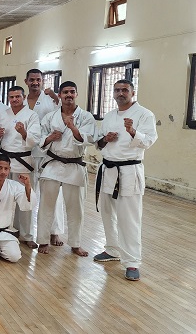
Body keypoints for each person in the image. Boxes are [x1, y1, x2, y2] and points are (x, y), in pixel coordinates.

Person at [94, 80, 157, 281]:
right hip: (108, 169)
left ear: (132, 92)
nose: (121, 93)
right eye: (117, 90)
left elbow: (148, 141)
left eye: (125, 90)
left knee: (129, 218)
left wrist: (132, 132)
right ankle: (112, 249)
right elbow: (99, 144)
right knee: (106, 213)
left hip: (129, 170)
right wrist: (106, 139)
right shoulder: (110, 116)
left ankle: (132, 262)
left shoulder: (144, 114)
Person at [37, 81, 96, 256]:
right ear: (60, 95)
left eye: (72, 92)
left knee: (75, 208)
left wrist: (73, 128)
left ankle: (76, 244)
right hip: (53, 164)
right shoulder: (50, 117)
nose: (68, 95)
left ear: (76, 94)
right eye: (65, 92)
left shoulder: (86, 117)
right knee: (46, 206)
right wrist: (50, 138)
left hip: (74, 165)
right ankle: (43, 240)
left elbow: (90, 139)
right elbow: (40, 138)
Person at [0, 86, 41, 248]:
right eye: (11, 97)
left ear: (24, 97)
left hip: (23, 161)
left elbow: (35, 140)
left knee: (25, 196)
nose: (14, 99)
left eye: (17, 97)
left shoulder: (32, 115)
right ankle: (7, 228)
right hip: (5, 162)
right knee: (5, 197)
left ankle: (27, 235)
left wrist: (23, 133)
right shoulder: (3, 114)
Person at [24, 68, 65, 249]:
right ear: (26, 81)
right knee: (28, 192)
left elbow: (63, 112)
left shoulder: (51, 100)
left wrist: (56, 98)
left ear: (42, 81)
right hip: (28, 152)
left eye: (38, 80)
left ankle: (54, 230)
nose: (35, 82)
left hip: (48, 152)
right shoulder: (20, 102)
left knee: (52, 193)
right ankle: (26, 232)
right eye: (31, 80)